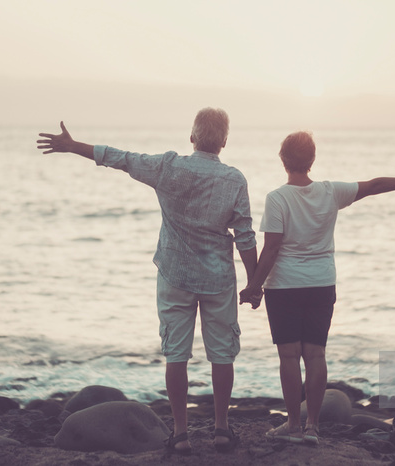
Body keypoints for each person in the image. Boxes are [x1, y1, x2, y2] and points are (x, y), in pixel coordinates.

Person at [37, 108, 258, 454]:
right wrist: (255, 283)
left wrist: (73, 145)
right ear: (225, 141)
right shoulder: (235, 180)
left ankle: (182, 434)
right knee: (222, 356)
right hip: (218, 280)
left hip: (175, 275)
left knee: (176, 355)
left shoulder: (167, 167)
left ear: (192, 137)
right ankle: (221, 430)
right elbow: (244, 235)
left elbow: (120, 158)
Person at [240, 130, 395, 445]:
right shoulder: (330, 191)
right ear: (312, 160)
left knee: (290, 357)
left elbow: (272, 248)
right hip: (322, 283)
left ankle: (294, 424)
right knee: (316, 354)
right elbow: (374, 185)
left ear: (283, 160)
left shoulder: (277, 198)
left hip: (285, 287)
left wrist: (254, 286)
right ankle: (313, 428)